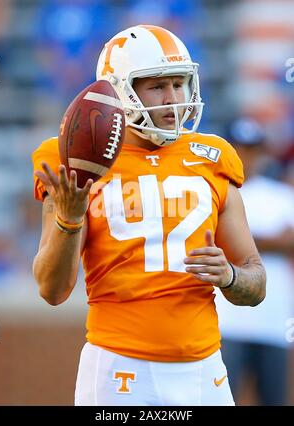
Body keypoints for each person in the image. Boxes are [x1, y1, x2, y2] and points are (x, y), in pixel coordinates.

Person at [32, 25, 266, 406]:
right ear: (119, 90)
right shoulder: (78, 157)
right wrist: (69, 219)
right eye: (156, 86)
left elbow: (256, 283)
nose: (173, 99)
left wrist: (230, 276)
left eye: (179, 83)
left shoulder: (214, 157)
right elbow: (52, 290)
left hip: (205, 368)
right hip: (120, 368)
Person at [215, 118, 294, 406]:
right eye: (238, 148)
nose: (244, 155)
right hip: (227, 323)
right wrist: (275, 241)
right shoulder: (216, 191)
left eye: (250, 149)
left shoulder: (282, 196)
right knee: (222, 399)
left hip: (274, 324)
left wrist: (234, 238)